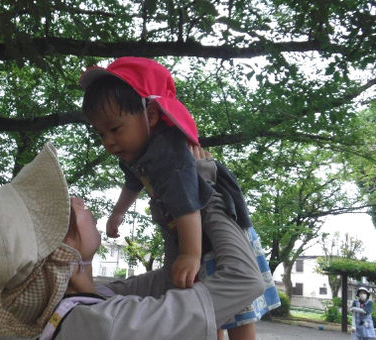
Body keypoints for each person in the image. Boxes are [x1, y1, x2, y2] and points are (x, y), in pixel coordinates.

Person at [0, 142, 265, 340]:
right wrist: (206, 193)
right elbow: (244, 280)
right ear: (63, 252)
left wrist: (174, 201)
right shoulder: (104, 324)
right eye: (66, 208)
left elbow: (177, 278)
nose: (79, 200)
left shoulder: (91, 301)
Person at [80, 57, 280, 339]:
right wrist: (119, 212)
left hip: (210, 220)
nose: (108, 141)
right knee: (207, 300)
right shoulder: (133, 152)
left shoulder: (167, 151)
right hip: (185, 229)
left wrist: (190, 253)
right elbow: (133, 182)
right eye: (101, 133)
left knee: (238, 311)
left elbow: (188, 201)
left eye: (114, 129)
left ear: (150, 115)